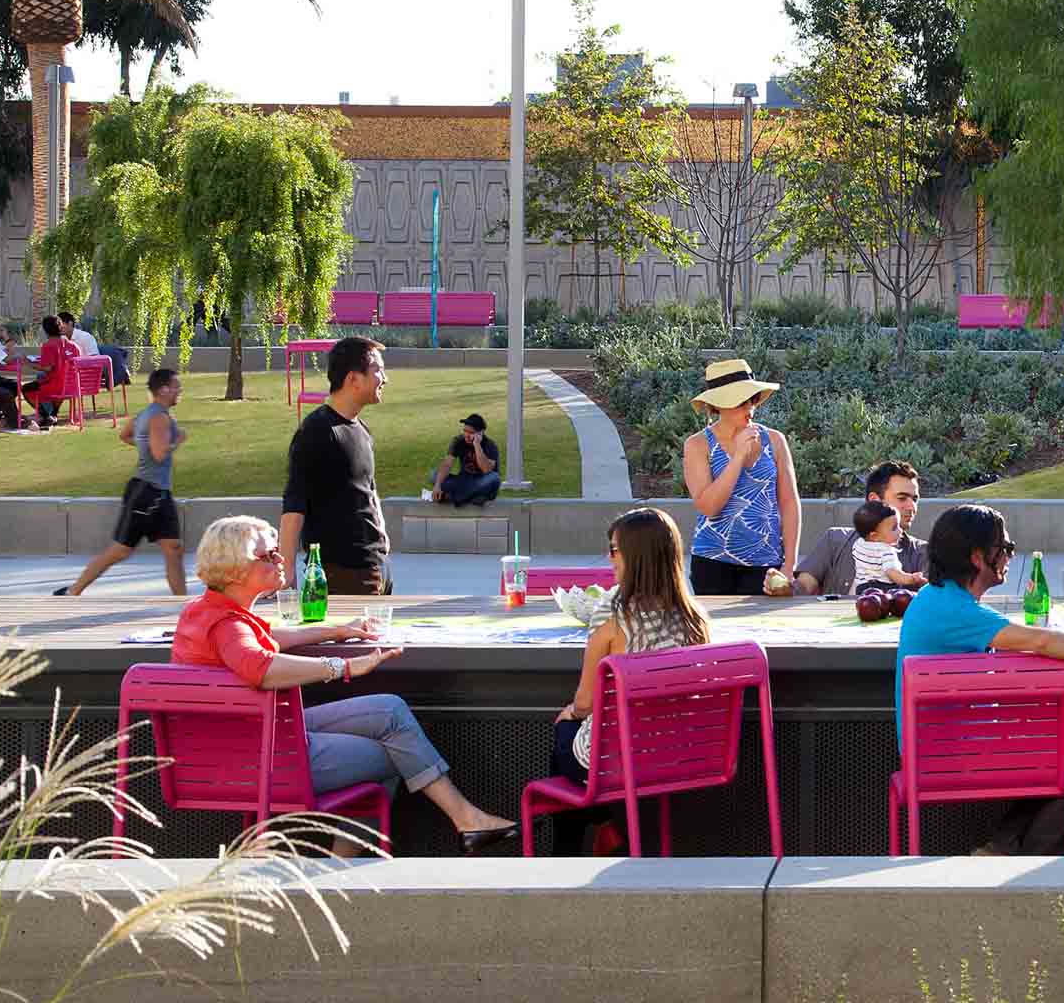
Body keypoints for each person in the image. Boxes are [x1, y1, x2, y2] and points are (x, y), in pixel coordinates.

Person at [174, 515, 516, 853]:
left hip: (250, 741)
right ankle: (349, 866)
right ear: (234, 568)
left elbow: (265, 638)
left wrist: (335, 631)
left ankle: (467, 821)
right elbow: (259, 666)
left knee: (390, 711)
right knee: (399, 751)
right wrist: (343, 666)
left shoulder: (206, 613)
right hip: (260, 758)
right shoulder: (228, 626)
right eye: (269, 556)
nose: (282, 559)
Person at [897, 505, 1064, 854]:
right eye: (1005, 547)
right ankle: (1018, 867)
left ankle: (1002, 848)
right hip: (950, 754)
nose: (1010, 555)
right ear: (977, 557)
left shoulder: (936, 598)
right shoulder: (959, 609)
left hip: (936, 746)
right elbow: (1041, 640)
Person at [548, 507, 711, 853]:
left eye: (614, 550)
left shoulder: (612, 612)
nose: (609, 559)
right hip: (677, 754)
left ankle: (569, 850)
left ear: (635, 556)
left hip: (619, 759)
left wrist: (571, 714)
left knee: (563, 733)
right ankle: (602, 828)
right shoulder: (693, 617)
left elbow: (585, 703)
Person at [59, 366, 186, 596]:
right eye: (177, 386)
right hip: (148, 493)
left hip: (156, 492)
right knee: (120, 551)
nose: (180, 390)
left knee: (173, 548)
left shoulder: (146, 414)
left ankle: (183, 604)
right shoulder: (159, 418)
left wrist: (146, 444)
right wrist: (177, 440)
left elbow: (125, 435)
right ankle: (73, 591)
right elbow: (159, 454)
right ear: (164, 390)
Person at [683, 357, 802, 596]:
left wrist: (789, 566)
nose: (749, 407)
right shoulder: (698, 445)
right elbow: (709, 507)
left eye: (753, 399)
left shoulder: (775, 440)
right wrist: (738, 457)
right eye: (740, 401)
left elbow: (789, 503)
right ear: (718, 405)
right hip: (712, 562)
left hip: (767, 564)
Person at [281, 336, 391, 594]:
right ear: (353, 378)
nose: (385, 378)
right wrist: (286, 573)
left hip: (374, 567)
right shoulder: (317, 431)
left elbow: (369, 492)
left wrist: (383, 543)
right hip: (339, 573)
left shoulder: (362, 431)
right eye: (378, 370)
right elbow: (294, 504)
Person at [780, 461, 927, 596]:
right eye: (902, 498)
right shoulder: (835, 540)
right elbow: (803, 587)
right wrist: (782, 587)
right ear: (874, 501)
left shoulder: (922, 552)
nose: (912, 507)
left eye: (915, 499)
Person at [428, 413, 501, 507]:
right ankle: (472, 497)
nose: (466, 435)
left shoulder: (490, 445)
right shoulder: (458, 441)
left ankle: (454, 497)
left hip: (482, 482)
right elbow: (447, 464)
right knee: (434, 475)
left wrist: (477, 445)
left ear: (481, 432)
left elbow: (486, 470)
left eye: (471, 433)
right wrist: (437, 485)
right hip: (463, 481)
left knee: (494, 478)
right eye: (465, 431)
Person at [848, 501, 924, 588]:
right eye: (894, 528)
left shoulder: (858, 544)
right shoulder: (886, 551)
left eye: (899, 525)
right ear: (874, 536)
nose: (900, 531)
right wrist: (911, 579)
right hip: (884, 589)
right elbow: (893, 573)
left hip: (861, 589)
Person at [23, 316, 79, 430]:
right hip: (72, 386)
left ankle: (46, 416)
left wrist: (28, 363)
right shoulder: (74, 346)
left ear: (45, 330)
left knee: (26, 389)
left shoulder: (49, 345)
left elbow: (48, 368)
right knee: (42, 382)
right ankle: (53, 414)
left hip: (55, 386)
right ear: (61, 327)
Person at [60, 311, 129, 390]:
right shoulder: (61, 339)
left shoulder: (85, 337)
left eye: (60, 324)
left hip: (85, 372)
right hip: (72, 373)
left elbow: (95, 360)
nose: (58, 327)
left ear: (70, 323)